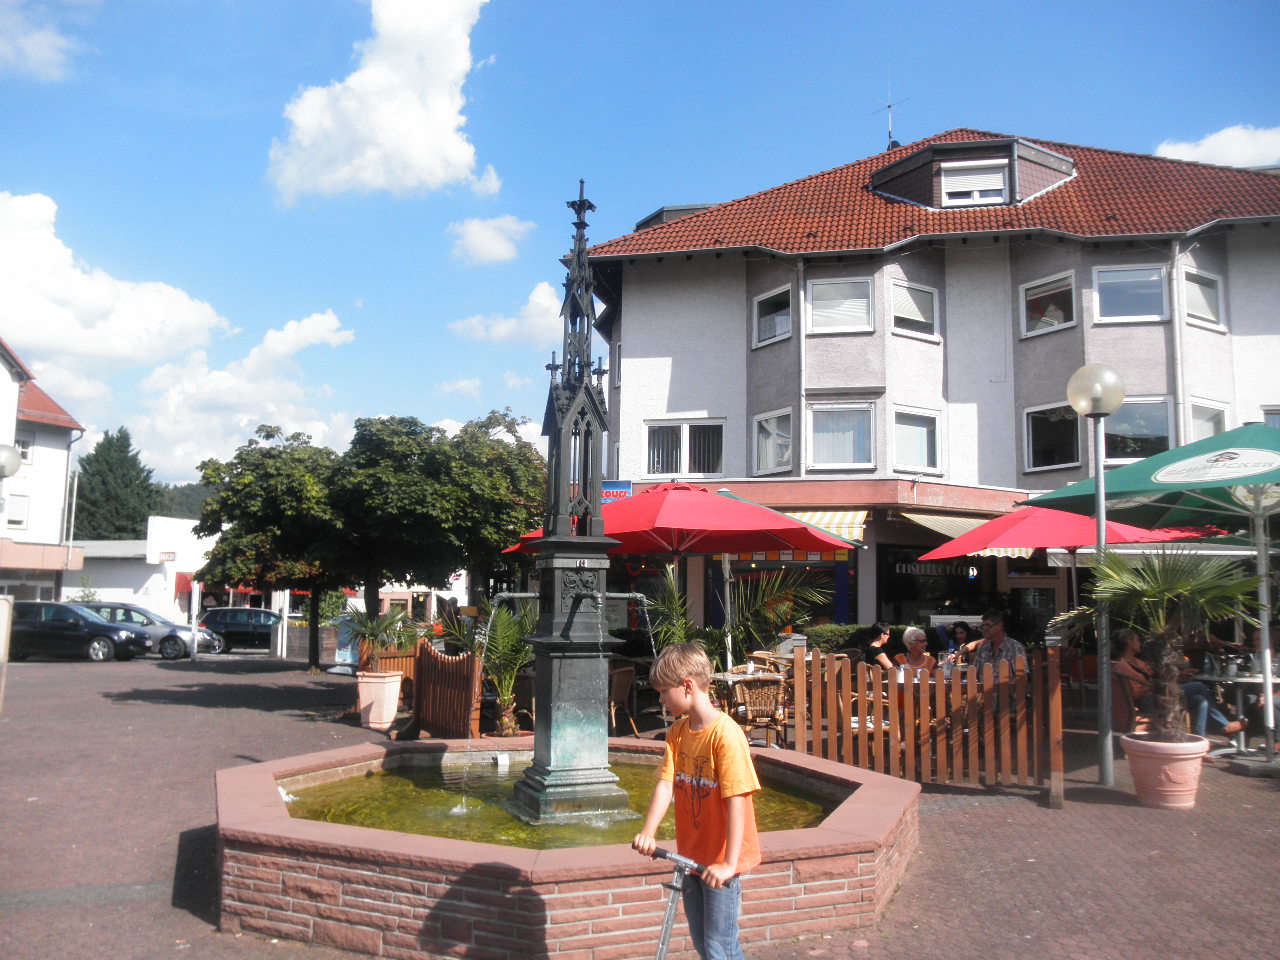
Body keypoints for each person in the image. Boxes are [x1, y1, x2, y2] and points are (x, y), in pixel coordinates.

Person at [633, 643, 761, 960]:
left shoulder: (726, 735)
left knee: (720, 948)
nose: (661, 700)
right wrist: (648, 832)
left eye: (664, 692)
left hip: (721, 861)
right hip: (692, 857)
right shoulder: (678, 731)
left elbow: (737, 800)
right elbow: (666, 784)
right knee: (704, 944)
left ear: (687, 686)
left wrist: (729, 864)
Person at [1111, 631, 1244, 740]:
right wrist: (1155, 685)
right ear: (1129, 642)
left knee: (1200, 701)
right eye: (1137, 640)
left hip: (1159, 693)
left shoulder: (1137, 662)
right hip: (1150, 700)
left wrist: (1179, 674)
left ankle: (1199, 742)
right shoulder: (1123, 666)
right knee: (1198, 686)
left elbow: (1160, 676)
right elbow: (1136, 692)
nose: (1140, 643)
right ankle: (1224, 725)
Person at [951, 609, 1026, 668]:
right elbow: (973, 675)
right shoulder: (983, 648)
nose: (984, 629)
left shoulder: (1015, 647)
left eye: (988, 625)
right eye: (983, 625)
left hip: (1005, 687)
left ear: (1000, 625)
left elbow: (1021, 680)